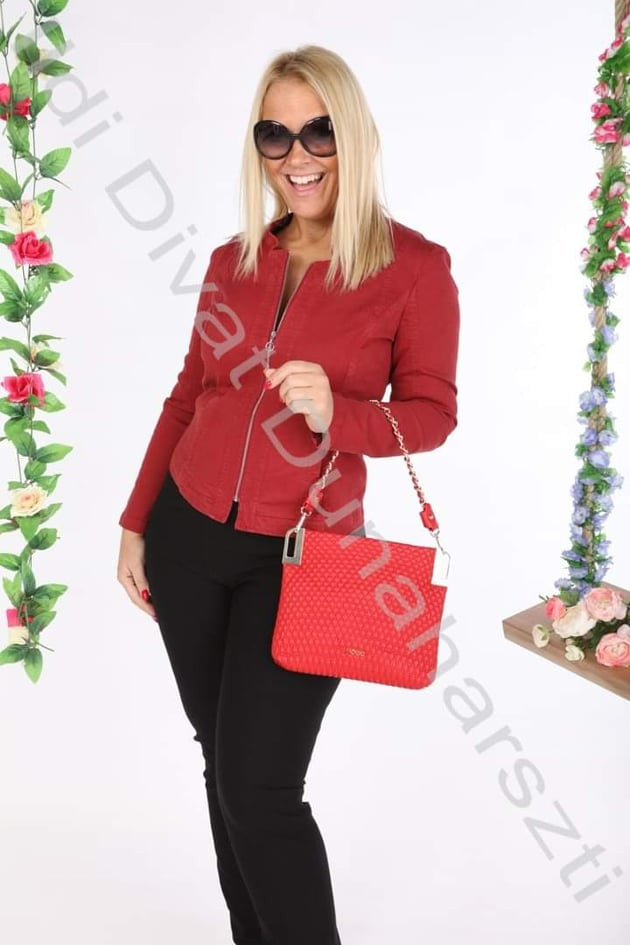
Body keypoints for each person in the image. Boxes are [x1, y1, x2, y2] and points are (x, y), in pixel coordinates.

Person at [117, 43, 460, 945]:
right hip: (188, 537)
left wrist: (341, 412)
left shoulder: (415, 268)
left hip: (306, 559)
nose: (297, 155)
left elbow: (433, 415)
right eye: (276, 133)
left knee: (259, 788)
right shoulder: (233, 260)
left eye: (319, 132)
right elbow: (187, 395)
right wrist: (135, 521)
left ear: (356, 137)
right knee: (221, 766)